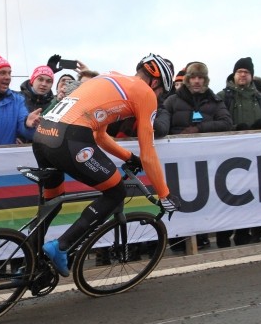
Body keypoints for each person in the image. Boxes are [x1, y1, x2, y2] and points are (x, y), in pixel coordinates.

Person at [33, 53, 180, 277]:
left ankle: (31, 261)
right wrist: (164, 194)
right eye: (161, 92)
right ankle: (61, 246)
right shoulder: (145, 93)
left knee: (51, 203)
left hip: (43, 136)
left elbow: (100, 136)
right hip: (68, 139)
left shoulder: (109, 78)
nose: (158, 97)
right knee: (115, 192)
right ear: (156, 82)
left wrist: (128, 157)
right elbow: (149, 152)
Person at [153, 62, 233, 251]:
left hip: (207, 162)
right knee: (178, 198)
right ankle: (178, 239)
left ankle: (203, 236)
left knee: (206, 198)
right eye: (193, 77)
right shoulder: (172, 101)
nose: (197, 81)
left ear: (206, 80)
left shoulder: (214, 100)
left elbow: (227, 122)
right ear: (187, 79)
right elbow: (163, 124)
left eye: (201, 77)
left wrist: (199, 129)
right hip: (177, 162)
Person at [215, 57, 261, 247]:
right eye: (239, 72)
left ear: (251, 76)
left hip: (252, 159)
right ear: (234, 75)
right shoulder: (222, 96)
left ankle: (243, 234)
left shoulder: (260, 99)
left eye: (246, 72)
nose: (243, 75)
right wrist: (234, 128)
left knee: (247, 196)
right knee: (225, 198)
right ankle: (223, 237)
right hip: (225, 158)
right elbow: (217, 120)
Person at [17, 65, 54, 143]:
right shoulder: (17, 98)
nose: (44, 84)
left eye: (48, 81)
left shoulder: (54, 104)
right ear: (32, 80)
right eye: (40, 79)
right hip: (16, 149)